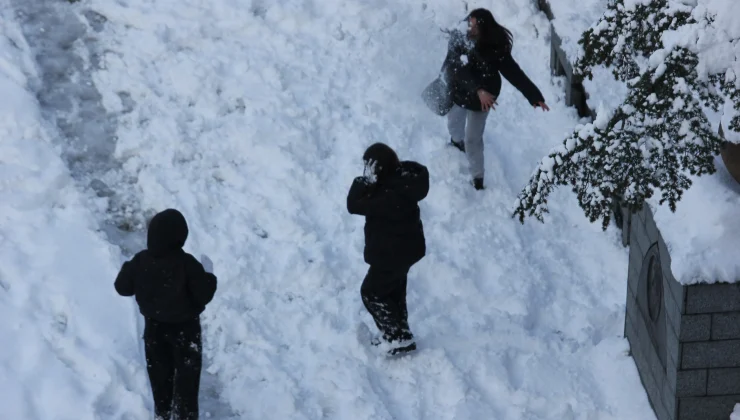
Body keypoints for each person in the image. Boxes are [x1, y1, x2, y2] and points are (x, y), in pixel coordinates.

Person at [114, 208, 217, 420]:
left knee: (160, 378)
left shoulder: (141, 261)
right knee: (187, 382)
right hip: (186, 332)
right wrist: (209, 276)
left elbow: (122, 287)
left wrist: (130, 269)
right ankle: (185, 416)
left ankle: (163, 413)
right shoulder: (188, 264)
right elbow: (203, 295)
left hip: (155, 331)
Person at [442, 8, 550, 190]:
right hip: (460, 91)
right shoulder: (459, 37)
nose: (469, 27)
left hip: (483, 100)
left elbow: (514, 73)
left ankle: (477, 178)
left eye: (474, 25)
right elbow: (457, 69)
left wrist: (534, 95)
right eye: (470, 22)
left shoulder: (495, 46)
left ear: (484, 28)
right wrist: (477, 89)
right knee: (454, 124)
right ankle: (456, 142)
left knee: (473, 139)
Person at [347, 143, 429, 356]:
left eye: (369, 167)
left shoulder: (387, 195)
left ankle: (398, 337)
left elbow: (354, 205)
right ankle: (401, 332)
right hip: (406, 250)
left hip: (391, 254)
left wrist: (364, 180)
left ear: (378, 169)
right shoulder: (403, 181)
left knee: (371, 292)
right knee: (394, 291)